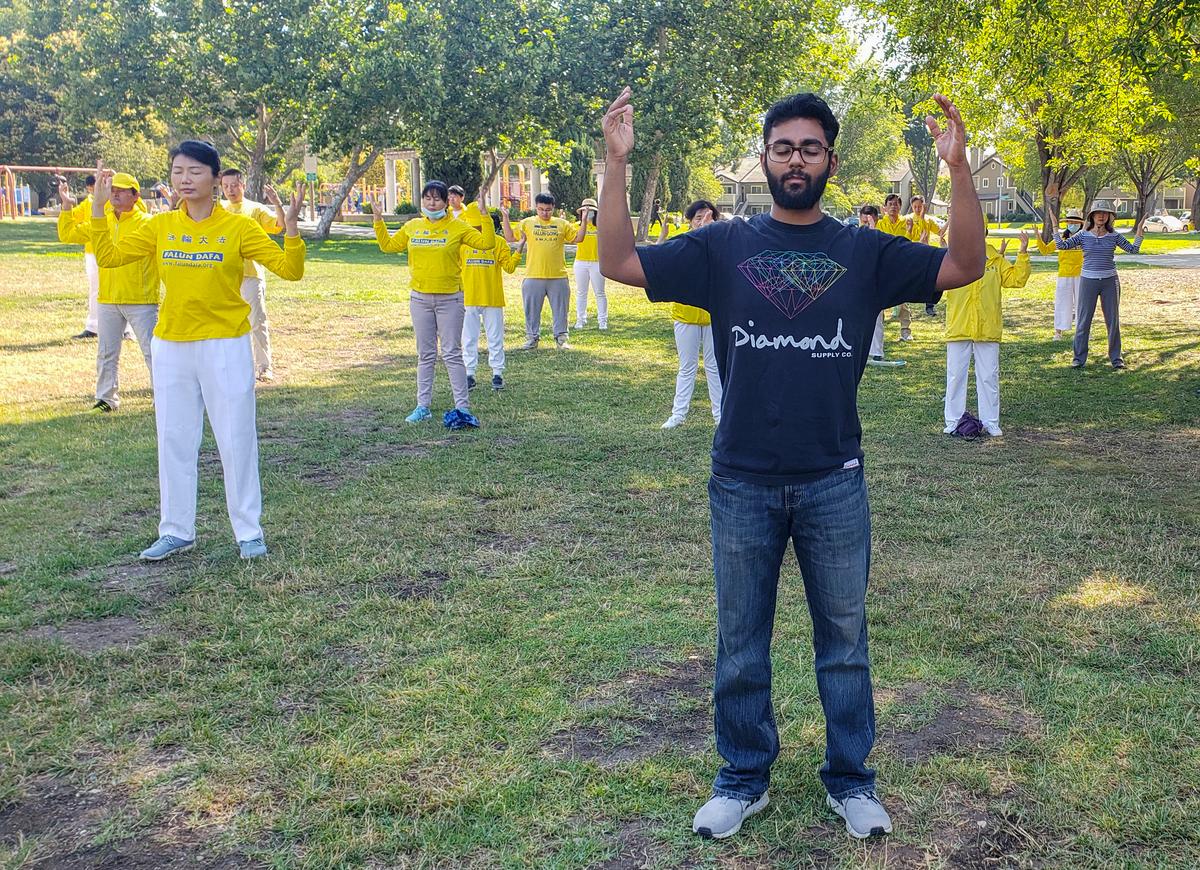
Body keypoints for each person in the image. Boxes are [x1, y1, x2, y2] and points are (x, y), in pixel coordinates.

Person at [597, 86, 984, 841]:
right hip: (740, 479)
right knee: (741, 642)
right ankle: (743, 777)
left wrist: (960, 170)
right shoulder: (722, 249)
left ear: (830, 160)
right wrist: (615, 165)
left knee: (844, 644)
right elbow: (617, 260)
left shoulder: (863, 253)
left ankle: (852, 780)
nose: (796, 159)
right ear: (765, 158)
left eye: (810, 147)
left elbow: (966, 263)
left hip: (833, 481)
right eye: (783, 147)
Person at [89, 142, 307, 562]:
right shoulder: (161, 226)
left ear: (214, 176)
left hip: (224, 343)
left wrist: (292, 228)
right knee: (173, 437)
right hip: (171, 344)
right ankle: (175, 530)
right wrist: (99, 210)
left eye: (193, 172)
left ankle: (248, 531)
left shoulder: (239, 228)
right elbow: (109, 256)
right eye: (176, 171)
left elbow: (290, 270)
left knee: (235, 437)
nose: (184, 180)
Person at [369, 180, 494, 425]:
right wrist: (377, 219)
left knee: (451, 353)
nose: (431, 202)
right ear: (422, 201)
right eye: (427, 198)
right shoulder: (413, 226)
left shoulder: (458, 227)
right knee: (425, 354)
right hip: (420, 299)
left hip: (450, 299)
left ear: (446, 202)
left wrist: (485, 216)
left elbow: (486, 243)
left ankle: (463, 407)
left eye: (437, 198)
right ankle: (422, 406)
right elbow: (388, 246)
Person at [57, 172, 159, 412]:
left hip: (140, 299)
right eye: (113, 190)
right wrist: (67, 206)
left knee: (153, 353)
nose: (115, 194)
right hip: (108, 298)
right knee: (106, 353)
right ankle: (106, 399)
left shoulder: (147, 223)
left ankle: (162, 396)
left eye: (122, 190)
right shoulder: (101, 220)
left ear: (135, 196)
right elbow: (67, 234)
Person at [942, 228, 1030, 437]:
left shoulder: (995, 260)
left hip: (987, 327)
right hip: (959, 325)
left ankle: (990, 422)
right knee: (955, 375)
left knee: (989, 375)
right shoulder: (953, 258)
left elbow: (1016, 279)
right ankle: (953, 421)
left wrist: (1023, 253)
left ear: (984, 233)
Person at [657, 200, 724, 429]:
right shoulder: (683, 243)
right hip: (685, 315)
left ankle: (720, 416)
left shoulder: (721, 244)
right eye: (699, 218)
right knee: (687, 367)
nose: (704, 222)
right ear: (690, 221)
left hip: (713, 316)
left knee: (715, 367)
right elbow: (661, 259)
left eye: (709, 217)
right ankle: (678, 415)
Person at [1057, 200, 1143, 368]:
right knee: (1083, 320)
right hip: (1088, 280)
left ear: (1109, 217)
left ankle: (1116, 359)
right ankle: (1078, 359)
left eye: (1105, 213)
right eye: (1098, 213)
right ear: (1092, 216)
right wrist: (1054, 227)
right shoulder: (1083, 235)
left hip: (1110, 281)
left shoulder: (1114, 236)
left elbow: (1134, 249)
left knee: (1112, 320)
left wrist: (1139, 231)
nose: (1101, 216)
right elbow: (1062, 245)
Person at [219, 168, 287, 381]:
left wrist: (276, 203)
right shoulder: (218, 210)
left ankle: (264, 366)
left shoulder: (255, 209)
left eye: (234, 185)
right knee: (226, 323)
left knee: (257, 321)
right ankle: (230, 366)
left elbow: (279, 226)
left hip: (250, 275)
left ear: (243, 185)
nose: (230, 190)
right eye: (226, 186)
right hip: (224, 276)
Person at [504, 192, 586, 349]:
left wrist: (583, 220)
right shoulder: (527, 223)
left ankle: (561, 338)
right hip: (533, 275)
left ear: (553, 208)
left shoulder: (562, 224)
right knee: (531, 310)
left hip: (558, 275)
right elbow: (510, 238)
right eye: (541, 209)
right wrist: (506, 218)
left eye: (548, 210)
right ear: (536, 208)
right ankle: (532, 338)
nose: (544, 213)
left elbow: (578, 239)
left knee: (561, 310)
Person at [462, 209, 523, 391]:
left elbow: (509, 267)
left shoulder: (498, 243)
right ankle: (469, 373)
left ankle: (497, 373)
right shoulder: (462, 243)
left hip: (492, 298)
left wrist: (519, 249)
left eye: (479, 226)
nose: (475, 229)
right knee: (468, 338)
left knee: (495, 338)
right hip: (468, 297)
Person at [859, 204, 906, 369]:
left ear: (876, 220)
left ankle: (877, 352)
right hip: (859, 282)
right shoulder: (855, 235)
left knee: (876, 318)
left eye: (869, 221)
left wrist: (872, 228)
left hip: (876, 282)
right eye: (863, 221)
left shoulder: (880, 236)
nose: (865, 225)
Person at [1034, 209, 1085, 340]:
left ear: (1080, 223)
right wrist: (1038, 238)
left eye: (1075, 222)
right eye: (1070, 222)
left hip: (1082, 274)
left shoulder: (1085, 238)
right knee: (1062, 303)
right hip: (1065, 274)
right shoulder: (1061, 238)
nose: (1072, 224)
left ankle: (1083, 331)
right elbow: (1045, 250)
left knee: (1083, 303)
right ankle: (1058, 332)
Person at [875, 193, 914, 341]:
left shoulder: (906, 222)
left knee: (902, 300)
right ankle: (878, 335)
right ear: (885, 208)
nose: (893, 207)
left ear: (900, 206)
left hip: (900, 267)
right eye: (890, 204)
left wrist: (909, 230)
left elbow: (909, 245)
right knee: (879, 303)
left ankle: (905, 331)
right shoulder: (880, 224)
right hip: (883, 267)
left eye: (896, 204)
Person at [572, 198, 606, 330]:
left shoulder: (601, 226)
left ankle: (602, 321)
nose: (588, 213)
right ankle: (580, 319)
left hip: (597, 263)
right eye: (585, 211)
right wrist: (583, 221)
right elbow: (575, 239)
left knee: (600, 292)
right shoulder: (576, 226)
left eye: (591, 211)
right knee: (581, 292)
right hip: (581, 262)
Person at [907, 195, 944, 316]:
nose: (917, 209)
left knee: (931, 279)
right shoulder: (908, 219)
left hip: (926, 253)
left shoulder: (928, 220)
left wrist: (950, 220)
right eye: (915, 206)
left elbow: (940, 232)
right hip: (912, 253)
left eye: (920, 206)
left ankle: (930, 305)